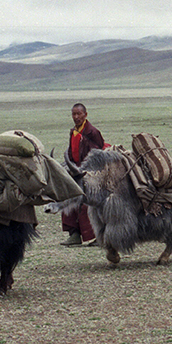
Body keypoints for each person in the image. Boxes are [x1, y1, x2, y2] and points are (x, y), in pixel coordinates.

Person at [60, 103, 109, 246]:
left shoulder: (92, 132)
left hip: (90, 172)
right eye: (73, 114)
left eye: (79, 114)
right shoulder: (74, 132)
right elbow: (72, 153)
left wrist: (87, 172)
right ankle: (74, 234)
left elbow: (97, 154)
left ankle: (97, 236)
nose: (76, 117)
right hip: (77, 170)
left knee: (88, 203)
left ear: (85, 115)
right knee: (67, 196)